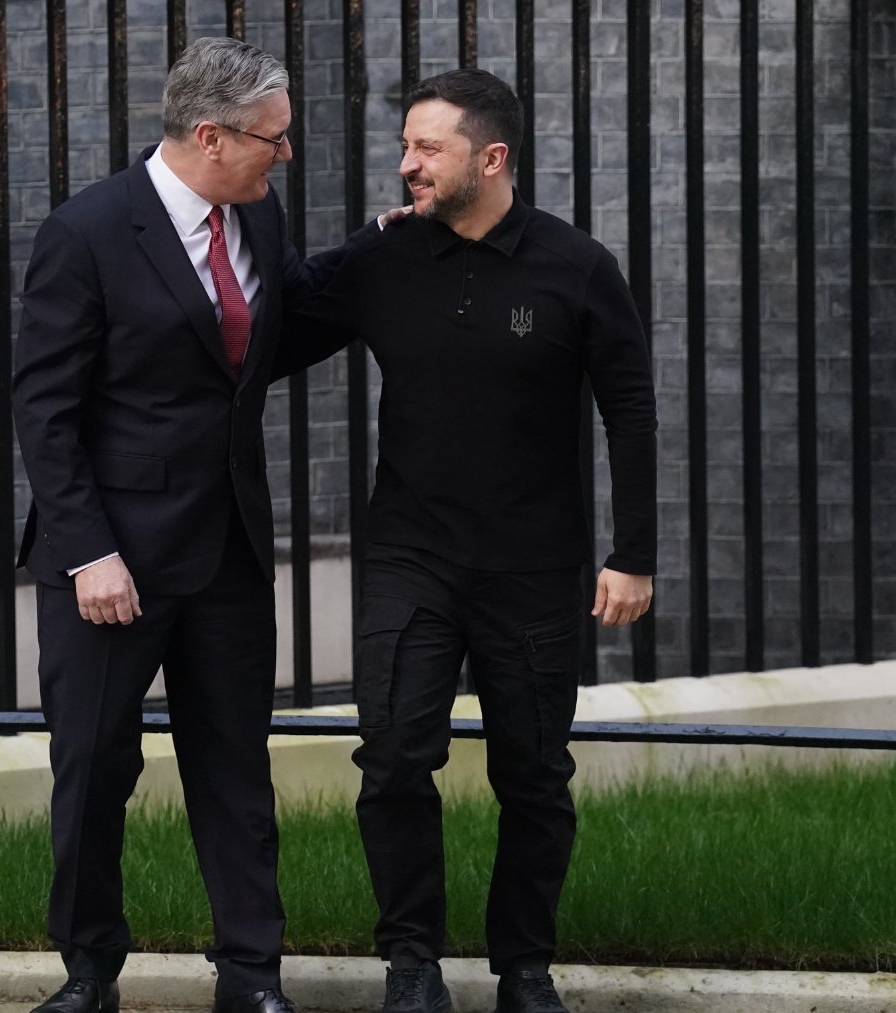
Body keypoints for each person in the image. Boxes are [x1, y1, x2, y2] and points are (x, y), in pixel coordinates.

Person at [285, 69, 658, 1013]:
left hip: (534, 563)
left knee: (533, 773)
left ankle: (524, 968)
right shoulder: (386, 259)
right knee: (396, 757)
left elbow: (632, 410)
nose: (406, 164)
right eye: (406, 145)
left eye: (428, 149)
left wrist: (633, 552)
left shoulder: (576, 267)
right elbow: (276, 329)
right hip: (410, 555)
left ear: (491, 158)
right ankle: (411, 963)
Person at [12, 35, 342, 1013]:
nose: (284, 156)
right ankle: (88, 972)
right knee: (96, 767)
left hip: (228, 549)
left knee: (236, 768)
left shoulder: (254, 211)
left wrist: (385, 258)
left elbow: (263, 340)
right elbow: (46, 408)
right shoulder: (89, 232)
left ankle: (251, 977)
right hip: (114, 563)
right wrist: (89, 553)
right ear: (211, 135)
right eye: (271, 140)